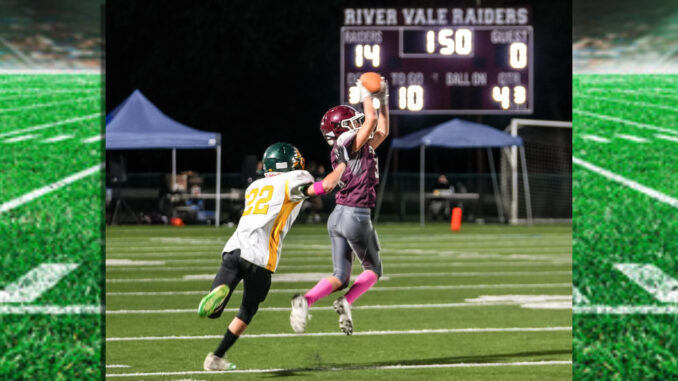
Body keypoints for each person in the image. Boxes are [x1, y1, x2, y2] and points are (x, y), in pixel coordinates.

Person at [197, 142, 346, 371]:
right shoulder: (293, 179)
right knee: (247, 311)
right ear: (287, 164)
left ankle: (217, 302)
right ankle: (216, 356)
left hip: (233, 248)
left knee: (215, 314)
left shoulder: (254, 186)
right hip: (260, 257)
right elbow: (324, 186)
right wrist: (343, 163)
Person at [290, 76, 389, 335]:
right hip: (356, 216)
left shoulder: (351, 147)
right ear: (342, 129)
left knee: (341, 276)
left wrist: (383, 101)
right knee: (373, 270)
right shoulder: (349, 143)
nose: (358, 123)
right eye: (352, 122)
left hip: (337, 216)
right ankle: (346, 301)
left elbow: (382, 130)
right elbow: (371, 121)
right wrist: (367, 93)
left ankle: (306, 301)